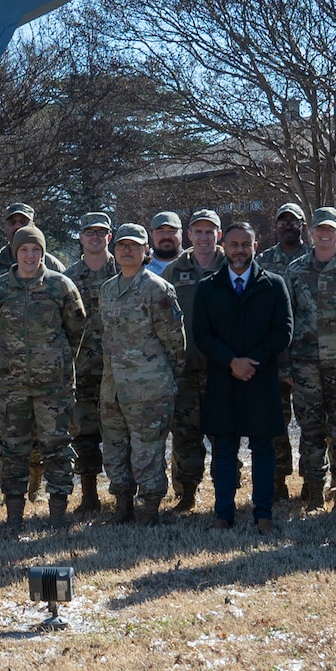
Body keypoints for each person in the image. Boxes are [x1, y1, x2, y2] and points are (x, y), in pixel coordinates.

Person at [0, 224, 87, 530]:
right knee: (13, 449)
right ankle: (14, 516)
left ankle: (58, 514)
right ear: (16, 252)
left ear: (43, 252)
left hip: (54, 387)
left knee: (57, 448)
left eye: (36, 250)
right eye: (24, 249)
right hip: (12, 386)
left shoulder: (61, 286)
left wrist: (58, 363)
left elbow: (76, 330)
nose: (30, 255)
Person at [192, 222, 291, 533]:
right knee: (224, 449)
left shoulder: (274, 285)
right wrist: (231, 362)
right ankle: (223, 515)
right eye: (233, 243)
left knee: (263, 448)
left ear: (255, 246)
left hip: (261, 379)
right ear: (224, 246)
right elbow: (201, 335)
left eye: (245, 244)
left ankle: (263, 515)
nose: (239, 249)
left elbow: (283, 332)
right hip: (223, 379)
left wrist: (252, 361)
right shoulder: (208, 287)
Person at [93, 225, 185, 524]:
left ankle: (149, 509)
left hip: (149, 388)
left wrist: (167, 379)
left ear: (146, 250)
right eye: (121, 246)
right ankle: (122, 505)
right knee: (115, 450)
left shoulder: (156, 288)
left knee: (147, 452)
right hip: (114, 388)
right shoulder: (107, 290)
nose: (126, 251)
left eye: (134, 246)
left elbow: (174, 340)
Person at [285, 208, 336, 511]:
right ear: (311, 232)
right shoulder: (296, 269)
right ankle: (314, 489)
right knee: (311, 430)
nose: (324, 234)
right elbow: (286, 318)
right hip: (305, 365)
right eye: (319, 229)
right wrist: (285, 364)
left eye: (331, 229)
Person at [162, 209, 226, 511]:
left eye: (209, 231)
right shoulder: (173, 271)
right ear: (189, 235)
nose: (203, 237)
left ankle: (224, 494)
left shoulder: (234, 266)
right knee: (185, 436)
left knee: (224, 435)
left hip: (222, 369)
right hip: (184, 369)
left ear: (219, 234)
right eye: (198, 231)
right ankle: (186, 494)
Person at [62, 213, 117, 516]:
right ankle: (89, 495)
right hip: (82, 370)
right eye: (89, 232)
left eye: (101, 232)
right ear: (80, 238)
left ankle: (124, 494)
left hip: (119, 368)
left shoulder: (126, 270)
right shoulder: (68, 278)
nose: (95, 237)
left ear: (109, 237)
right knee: (83, 434)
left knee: (122, 433)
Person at [256, 202, 309, 486]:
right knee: (276, 421)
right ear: (275, 225)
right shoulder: (263, 262)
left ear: (303, 225)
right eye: (283, 221)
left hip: (306, 356)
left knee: (310, 423)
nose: (288, 226)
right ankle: (278, 481)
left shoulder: (313, 258)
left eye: (294, 221)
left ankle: (311, 480)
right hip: (273, 356)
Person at [146, 212, 182, 277]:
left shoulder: (193, 263)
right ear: (151, 234)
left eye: (172, 231)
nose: (166, 236)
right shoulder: (140, 267)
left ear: (181, 233)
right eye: (160, 231)